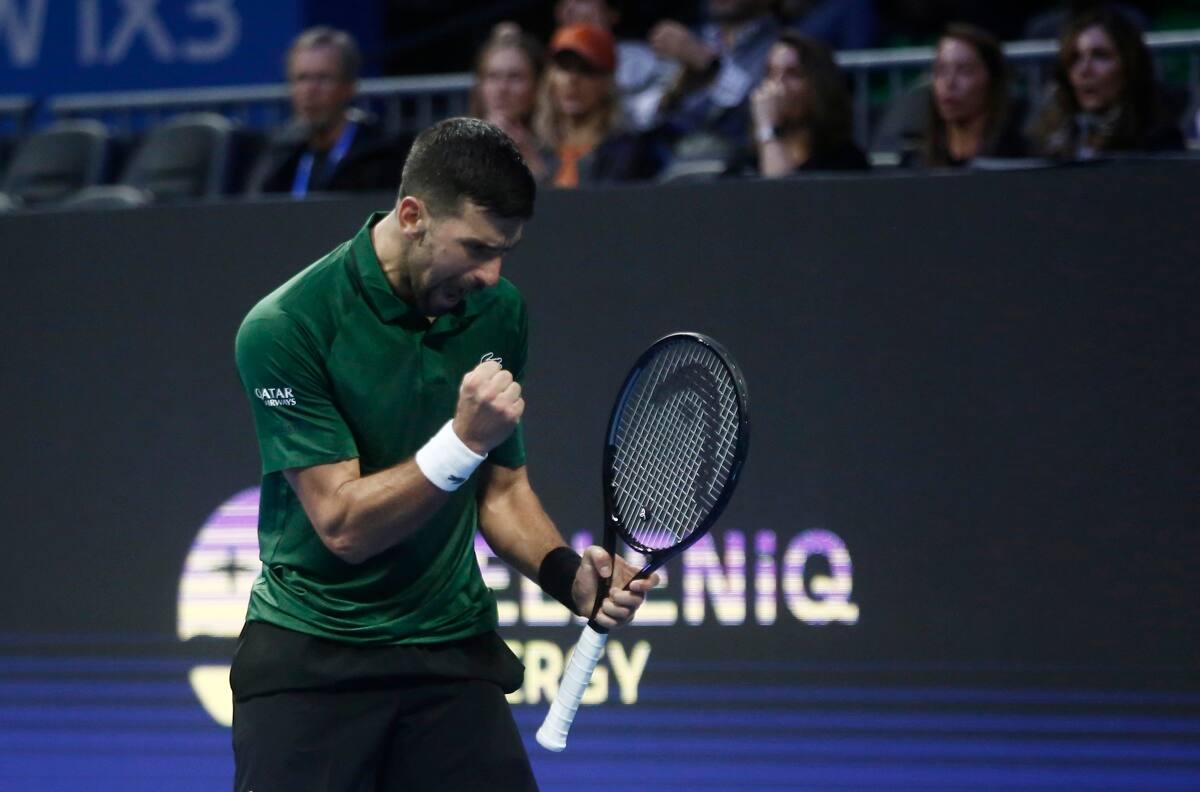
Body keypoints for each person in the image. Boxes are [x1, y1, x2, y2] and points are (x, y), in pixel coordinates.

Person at [231, 117, 658, 791]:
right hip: (314, 658)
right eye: (476, 248)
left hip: (449, 652)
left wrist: (568, 577)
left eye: (506, 253)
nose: (491, 274)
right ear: (412, 215)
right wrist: (460, 440)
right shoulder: (286, 327)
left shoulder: (497, 312)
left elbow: (503, 490)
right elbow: (343, 527)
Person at [246, 27, 410, 196]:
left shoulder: (378, 154)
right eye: (302, 78)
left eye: (323, 78)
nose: (310, 90)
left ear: (349, 86)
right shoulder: (279, 154)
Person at [1030, 5, 1185, 159]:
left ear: (1129, 64)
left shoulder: (1159, 139)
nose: (1084, 70)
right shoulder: (1047, 137)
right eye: (1075, 58)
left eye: (1100, 56)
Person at [648, 0, 781, 160]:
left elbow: (759, 107)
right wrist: (676, 89)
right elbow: (647, 117)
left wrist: (711, 67)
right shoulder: (692, 37)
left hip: (742, 166)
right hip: (674, 163)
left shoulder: (780, 45)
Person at [534, 23, 658, 186]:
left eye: (586, 70)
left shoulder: (623, 149)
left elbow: (598, 208)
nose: (572, 80)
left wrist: (539, 176)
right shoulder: (536, 144)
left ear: (607, 83)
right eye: (564, 68)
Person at [747, 31, 869, 175]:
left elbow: (782, 195)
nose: (777, 86)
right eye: (771, 73)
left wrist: (768, 131)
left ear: (819, 84)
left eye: (793, 74)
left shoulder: (845, 161)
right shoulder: (747, 163)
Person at [910, 24, 1027, 167]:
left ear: (992, 79)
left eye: (964, 71)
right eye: (941, 70)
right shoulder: (918, 160)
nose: (949, 83)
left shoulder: (1018, 155)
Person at [554, 0, 677, 130]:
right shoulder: (546, 70)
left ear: (612, 14)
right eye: (565, 3)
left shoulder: (639, 60)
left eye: (583, 1)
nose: (572, 8)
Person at [469, 25, 549, 180]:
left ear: (537, 85)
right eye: (493, 76)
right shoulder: (453, 145)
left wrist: (529, 158)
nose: (502, 88)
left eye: (515, 77)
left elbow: (565, 201)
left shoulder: (558, 145)